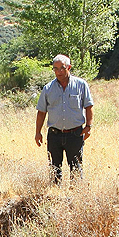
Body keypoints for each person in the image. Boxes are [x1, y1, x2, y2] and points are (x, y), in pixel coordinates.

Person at [35, 54, 93, 183]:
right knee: (54, 169)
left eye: (62, 68)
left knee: (76, 169)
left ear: (69, 67)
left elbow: (88, 106)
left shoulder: (81, 85)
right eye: (55, 69)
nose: (58, 72)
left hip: (75, 134)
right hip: (54, 135)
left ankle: (76, 197)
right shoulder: (48, 89)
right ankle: (56, 197)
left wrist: (88, 127)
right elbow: (41, 112)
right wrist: (38, 132)